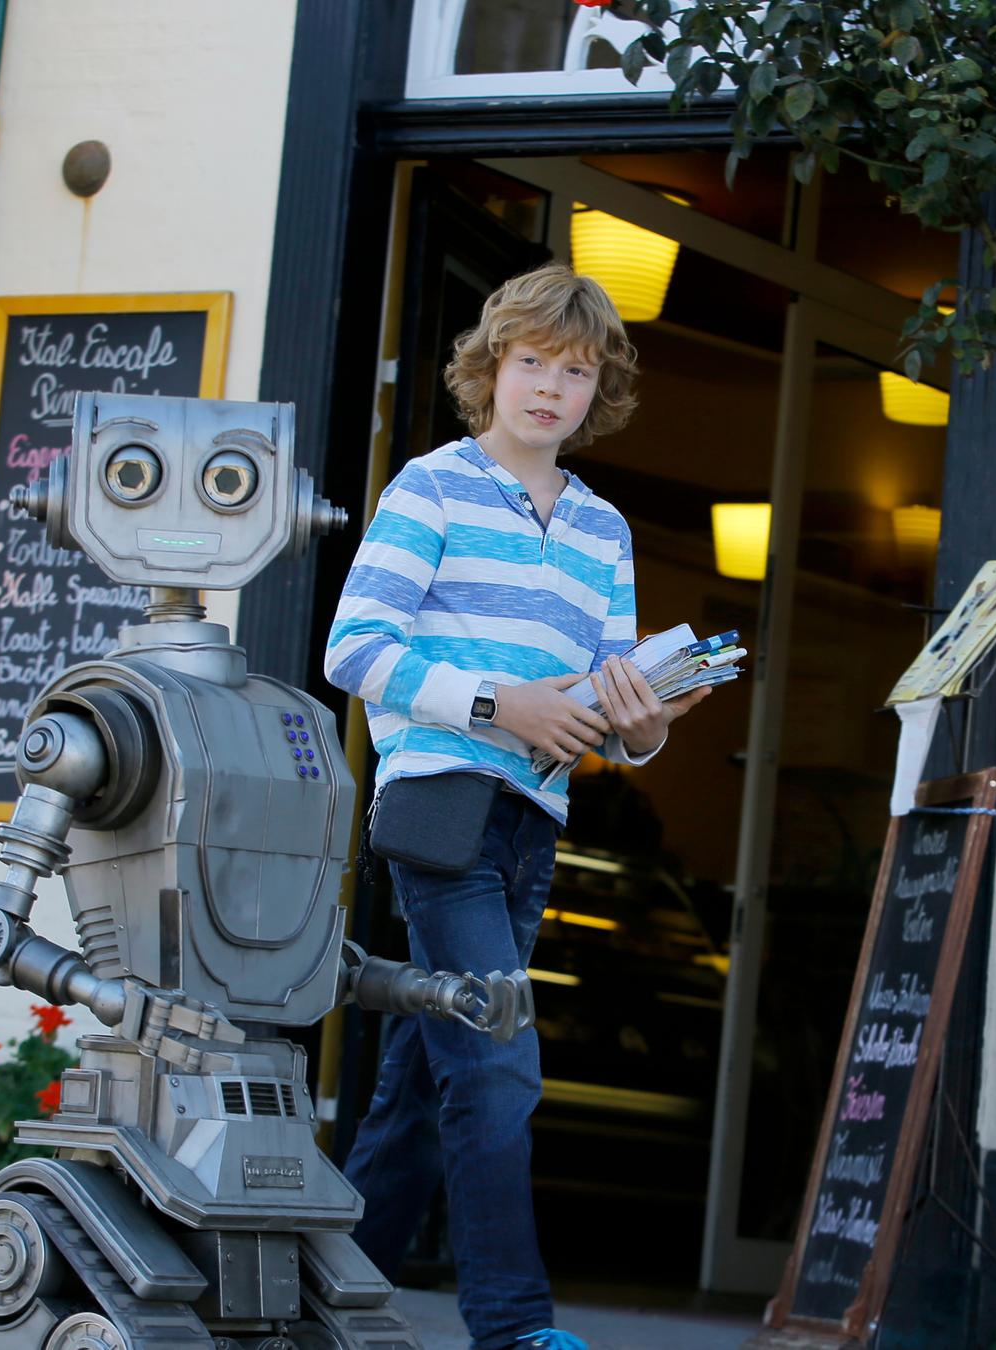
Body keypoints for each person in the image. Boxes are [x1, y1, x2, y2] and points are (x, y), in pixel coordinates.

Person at [324, 264, 711, 1350]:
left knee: (418, 1088)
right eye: (532, 362)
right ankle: (512, 1328)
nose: (549, 387)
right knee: (496, 1062)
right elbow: (353, 651)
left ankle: (323, 1309)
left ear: (601, 391)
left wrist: (646, 717)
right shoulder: (431, 488)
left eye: (575, 371)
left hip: (531, 825)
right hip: (442, 808)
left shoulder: (604, 530)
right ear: (491, 368)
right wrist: (503, 703)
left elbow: (616, 716)